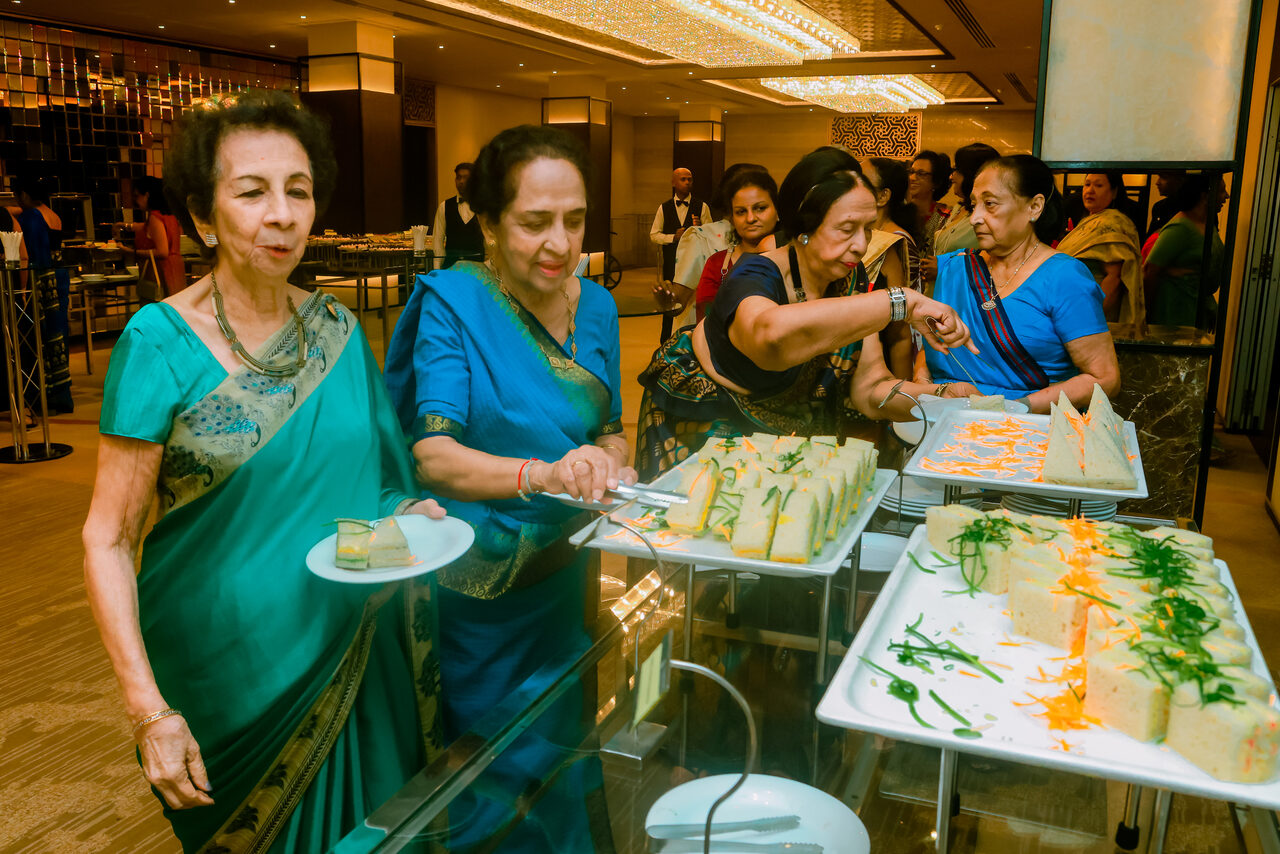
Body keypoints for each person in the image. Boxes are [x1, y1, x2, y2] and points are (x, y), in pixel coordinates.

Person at [81, 91, 445, 854]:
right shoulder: (158, 341)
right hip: (223, 672)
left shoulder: (339, 330)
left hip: (353, 643)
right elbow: (108, 539)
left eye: (298, 190)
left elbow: (380, 484)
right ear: (205, 215)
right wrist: (148, 710)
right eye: (252, 192)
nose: (282, 215)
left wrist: (407, 518)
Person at [385, 124, 633, 851]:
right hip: (482, 590)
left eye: (575, 221)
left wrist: (609, 463)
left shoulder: (599, 307)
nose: (560, 243)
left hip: (567, 572)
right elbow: (433, 456)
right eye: (534, 222)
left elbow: (611, 428)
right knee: (487, 778)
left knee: (561, 755)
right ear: (488, 224)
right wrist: (545, 474)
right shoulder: (455, 303)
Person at [636, 147, 976, 479]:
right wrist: (900, 302)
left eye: (868, 228)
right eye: (846, 229)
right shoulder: (754, 275)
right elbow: (772, 338)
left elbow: (871, 389)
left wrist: (941, 397)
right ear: (804, 226)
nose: (861, 245)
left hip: (786, 437)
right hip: (704, 422)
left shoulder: (849, 278)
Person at [922, 155, 1120, 412]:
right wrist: (924, 388)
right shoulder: (955, 268)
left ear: (1034, 207)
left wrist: (1013, 409)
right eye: (974, 205)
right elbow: (933, 346)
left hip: (1027, 424)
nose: (975, 218)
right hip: (941, 417)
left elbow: (1104, 378)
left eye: (990, 204)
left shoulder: (1064, 277)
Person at [654, 161, 767, 332]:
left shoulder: (776, 240)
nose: (752, 217)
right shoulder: (701, 238)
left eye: (761, 206)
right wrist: (666, 299)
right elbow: (678, 301)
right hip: (707, 335)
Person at [13, 176, 73, 414]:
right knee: (59, 336)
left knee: (40, 337)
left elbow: (30, 255)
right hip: (60, 278)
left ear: (25, 195)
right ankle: (61, 393)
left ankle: (44, 396)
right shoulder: (54, 215)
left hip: (42, 282)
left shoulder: (30, 217)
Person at [860, 157, 921, 379]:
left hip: (889, 356)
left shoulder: (895, 241)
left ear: (882, 196)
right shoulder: (859, 237)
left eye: (862, 182)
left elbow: (900, 327)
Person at [1057, 172, 1143, 327]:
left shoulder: (1114, 224)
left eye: (1098, 185)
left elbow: (1115, 278)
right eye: (1087, 184)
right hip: (1068, 310)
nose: (1090, 190)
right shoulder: (1087, 222)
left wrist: (1092, 320)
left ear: (1114, 192)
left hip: (1088, 316)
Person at [693, 168, 778, 321]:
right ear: (732, 218)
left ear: (778, 211)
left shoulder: (797, 256)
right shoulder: (717, 264)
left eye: (760, 208)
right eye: (741, 212)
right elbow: (707, 324)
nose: (750, 218)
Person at [1143, 173, 1227, 328]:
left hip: (1195, 311)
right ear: (1205, 196)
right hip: (1175, 314)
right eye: (1222, 191)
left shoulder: (1208, 224)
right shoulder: (1181, 227)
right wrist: (1146, 314)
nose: (1226, 196)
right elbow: (1150, 271)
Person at [124, 175, 187, 298]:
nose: (135, 200)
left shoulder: (155, 217)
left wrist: (132, 252)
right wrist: (124, 225)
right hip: (175, 269)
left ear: (147, 195)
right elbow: (146, 228)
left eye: (137, 196)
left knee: (162, 306)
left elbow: (162, 251)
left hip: (163, 272)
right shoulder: (169, 215)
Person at [933, 143, 1000, 256]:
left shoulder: (990, 216)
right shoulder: (958, 209)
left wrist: (941, 264)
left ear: (971, 174)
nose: (951, 176)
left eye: (956, 170)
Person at [650, 167, 711, 283]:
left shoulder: (702, 207)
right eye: (683, 179)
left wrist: (701, 229)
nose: (687, 182)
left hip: (694, 265)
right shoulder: (664, 208)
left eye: (690, 179)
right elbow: (654, 235)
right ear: (673, 183)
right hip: (671, 264)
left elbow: (710, 236)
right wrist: (673, 237)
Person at [907, 150, 952, 286]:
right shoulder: (898, 213)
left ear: (936, 182)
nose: (912, 178)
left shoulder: (946, 217)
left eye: (921, 174)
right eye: (911, 172)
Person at [432, 161, 483, 269]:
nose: (461, 181)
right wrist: (437, 270)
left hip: (477, 270)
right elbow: (437, 241)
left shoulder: (483, 207)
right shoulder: (444, 206)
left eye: (466, 178)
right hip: (451, 268)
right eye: (458, 177)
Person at [1148, 171, 1186, 237]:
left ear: (1178, 180)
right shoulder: (1159, 206)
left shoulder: (1188, 207)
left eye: (1164, 178)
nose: (1157, 183)